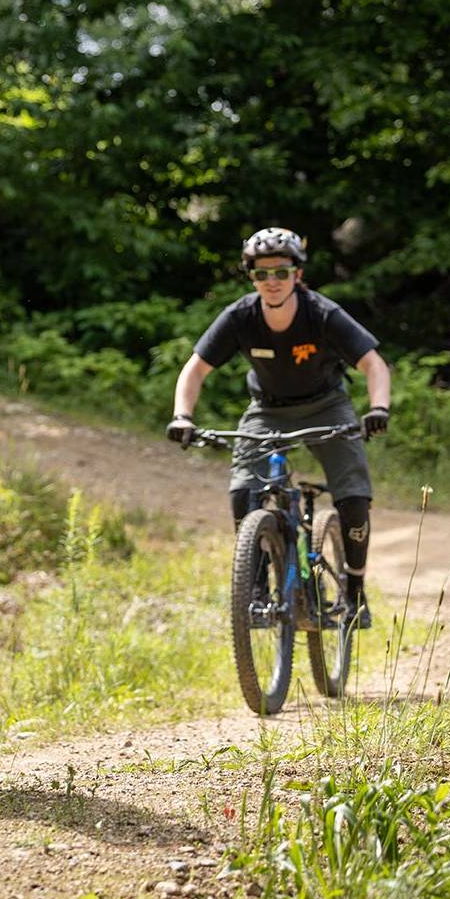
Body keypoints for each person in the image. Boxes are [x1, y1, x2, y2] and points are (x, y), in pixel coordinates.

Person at [165, 228, 391, 626]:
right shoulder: (240, 316)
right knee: (243, 492)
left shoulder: (322, 313)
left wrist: (378, 408)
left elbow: (373, 363)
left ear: (298, 276)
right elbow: (195, 369)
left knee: (353, 495)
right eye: (261, 274)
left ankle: (354, 591)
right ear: (251, 277)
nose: (272, 282)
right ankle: (254, 590)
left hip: (328, 408)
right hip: (267, 411)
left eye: (281, 273)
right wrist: (182, 415)